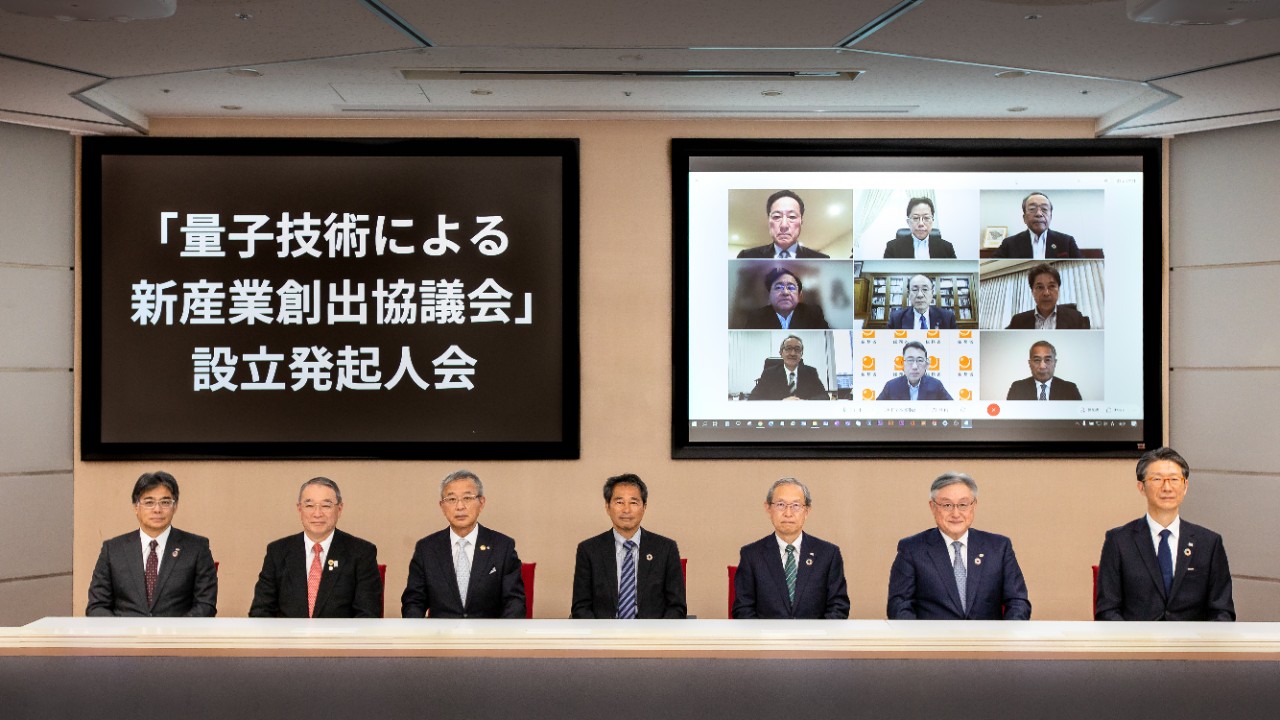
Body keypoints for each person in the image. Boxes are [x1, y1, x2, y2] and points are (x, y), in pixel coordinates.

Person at [1095, 447, 1235, 621]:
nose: (1167, 487)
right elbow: (1107, 610)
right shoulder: (1118, 541)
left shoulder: (1209, 543)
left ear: (1185, 486)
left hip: (1191, 645)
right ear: (1141, 487)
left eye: (1174, 479)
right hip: (1138, 643)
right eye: (1157, 479)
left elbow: (1222, 611)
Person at [887, 472, 1031, 620]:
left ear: (974, 506)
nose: (955, 513)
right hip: (933, 641)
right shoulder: (912, 549)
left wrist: (1007, 639)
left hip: (986, 640)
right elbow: (899, 605)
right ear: (933, 507)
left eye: (963, 505)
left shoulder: (998, 547)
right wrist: (918, 641)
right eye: (947, 505)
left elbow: (1017, 602)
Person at [86, 471, 217, 617]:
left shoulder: (197, 548)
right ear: (136, 507)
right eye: (149, 502)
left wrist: (175, 633)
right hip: (126, 637)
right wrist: (121, 634)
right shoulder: (113, 550)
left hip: (176, 636)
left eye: (165, 502)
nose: (157, 509)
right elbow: (97, 605)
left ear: (175, 506)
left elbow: (205, 605)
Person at [249, 477, 381, 618]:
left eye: (326, 506)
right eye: (309, 506)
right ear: (299, 509)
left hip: (340, 639)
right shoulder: (277, 552)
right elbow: (260, 612)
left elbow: (367, 615)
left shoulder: (361, 553)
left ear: (339, 509)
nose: (317, 514)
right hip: (289, 639)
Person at [402, 469, 526, 619]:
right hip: (441, 637)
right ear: (442, 506)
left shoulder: (503, 546)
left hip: (488, 637)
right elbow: (414, 601)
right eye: (452, 499)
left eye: (467, 498)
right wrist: (417, 636)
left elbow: (514, 602)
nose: (460, 506)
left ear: (481, 503)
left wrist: (501, 639)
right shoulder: (426, 549)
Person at [571, 473, 687, 619]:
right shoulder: (589, 550)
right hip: (604, 636)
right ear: (607, 507)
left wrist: (658, 637)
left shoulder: (666, 548)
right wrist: (600, 638)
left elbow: (677, 607)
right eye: (619, 502)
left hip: (652, 636)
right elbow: (581, 607)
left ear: (644, 507)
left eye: (633, 502)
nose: (626, 510)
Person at [733, 478, 849, 619]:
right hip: (767, 639)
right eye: (781, 505)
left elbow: (838, 606)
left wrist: (818, 638)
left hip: (815, 639)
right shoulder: (751, 555)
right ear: (768, 508)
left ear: (807, 511)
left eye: (795, 505)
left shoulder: (828, 554)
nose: (788, 513)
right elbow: (743, 609)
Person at [737, 190, 830, 259]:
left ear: (801, 222)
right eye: (777, 216)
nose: (784, 225)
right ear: (769, 221)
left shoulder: (821, 260)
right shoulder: (747, 257)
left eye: (792, 217)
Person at [993, 192, 1084, 259]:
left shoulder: (1066, 241)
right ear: (1024, 218)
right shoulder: (1009, 243)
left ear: (1050, 217)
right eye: (1032, 209)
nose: (1039, 214)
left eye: (1044, 209)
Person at [1005, 264, 1091, 329]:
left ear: (1058, 289)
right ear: (1032, 291)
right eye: (1039, 287)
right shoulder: (1017, 321)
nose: (1046, 293)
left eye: (1052, 286)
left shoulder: (1076, 318)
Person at [742, 267, 830, 330]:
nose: (785, 292)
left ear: (799, 295)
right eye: (778, 287)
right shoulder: (756, 317)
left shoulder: (813, 314)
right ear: (770, 294)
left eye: (791, 288)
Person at [749, 335, 829, 401]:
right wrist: (781, 402)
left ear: (801, 354)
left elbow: (825, 397)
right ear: (781, 353)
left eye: (797, 349)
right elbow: (753, 398)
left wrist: (805, 402)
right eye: (788, 348)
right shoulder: (769, 373)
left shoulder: (810, 372)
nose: (793, 353)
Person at [1005, 340, 1083, 401]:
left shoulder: (1070, 389)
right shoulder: (1017, 388)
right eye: (1037, 360)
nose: (1042, 366)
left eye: (1048, 360)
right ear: (1030, 363)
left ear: (1054, 363)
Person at [882, 197, 957, 259]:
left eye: (926, 218)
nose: (921, 223)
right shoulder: (893, 248)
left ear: (932, 221)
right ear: (908, 222)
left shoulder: (947, 248)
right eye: (915, 218)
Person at [877, 341, 953, 401]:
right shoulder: (891, 386)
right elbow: (875, 410)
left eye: (919, 360)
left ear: (926, 364)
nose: (914, 367)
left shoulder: (936, 385)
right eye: (910, 360)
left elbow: (952, 409)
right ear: (902, 364)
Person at [887, 275, 957, 330]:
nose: (920, 295)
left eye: (925, 289)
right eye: (915, 290)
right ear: (908, 294)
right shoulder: (896, 318)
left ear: (932, 293)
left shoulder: (947, 317)